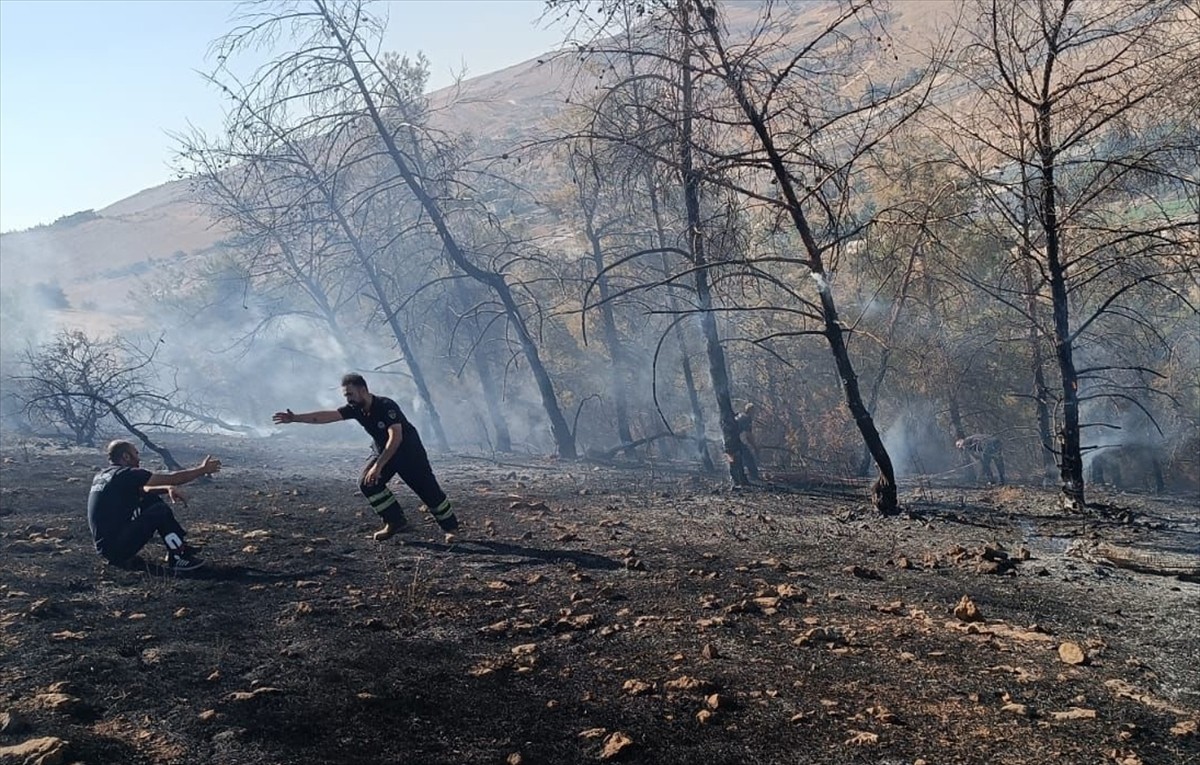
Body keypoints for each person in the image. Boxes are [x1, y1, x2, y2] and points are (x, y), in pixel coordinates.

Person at [272, 373, 458, 540]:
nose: (348, 399)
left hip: (408, 452)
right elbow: (326, 416)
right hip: (383, 451)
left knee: (428, 490)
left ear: (362, 390)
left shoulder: (386, 406)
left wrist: (378, 466)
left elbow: (396, 437)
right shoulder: (355, 409)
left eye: (350, 394)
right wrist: (295, 418)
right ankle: (395, 521)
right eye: (346, 396)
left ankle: (451, 529)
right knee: (367, 483)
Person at [88, 440, 221, 571]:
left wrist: (166, 488)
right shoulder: (127, 474)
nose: (138, 459)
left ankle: (179, 546)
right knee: (160, 510)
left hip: (106, 548)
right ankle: (178, 558)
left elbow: (143, 491)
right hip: (117, 548)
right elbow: (174, 478)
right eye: (136, 453)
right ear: (126, 456)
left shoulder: (104, 475)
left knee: (150, 499)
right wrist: (202, 470)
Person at [734, 403, 761, 481]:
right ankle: (754, 477)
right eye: (755, 412)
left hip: (730, 439)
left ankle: (740, 476)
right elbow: (748, 436)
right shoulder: (746, 418)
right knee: (748, 457)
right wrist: (755, 447)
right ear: (751, 411)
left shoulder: (740, 415)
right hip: (734, 440)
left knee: (740, 458)